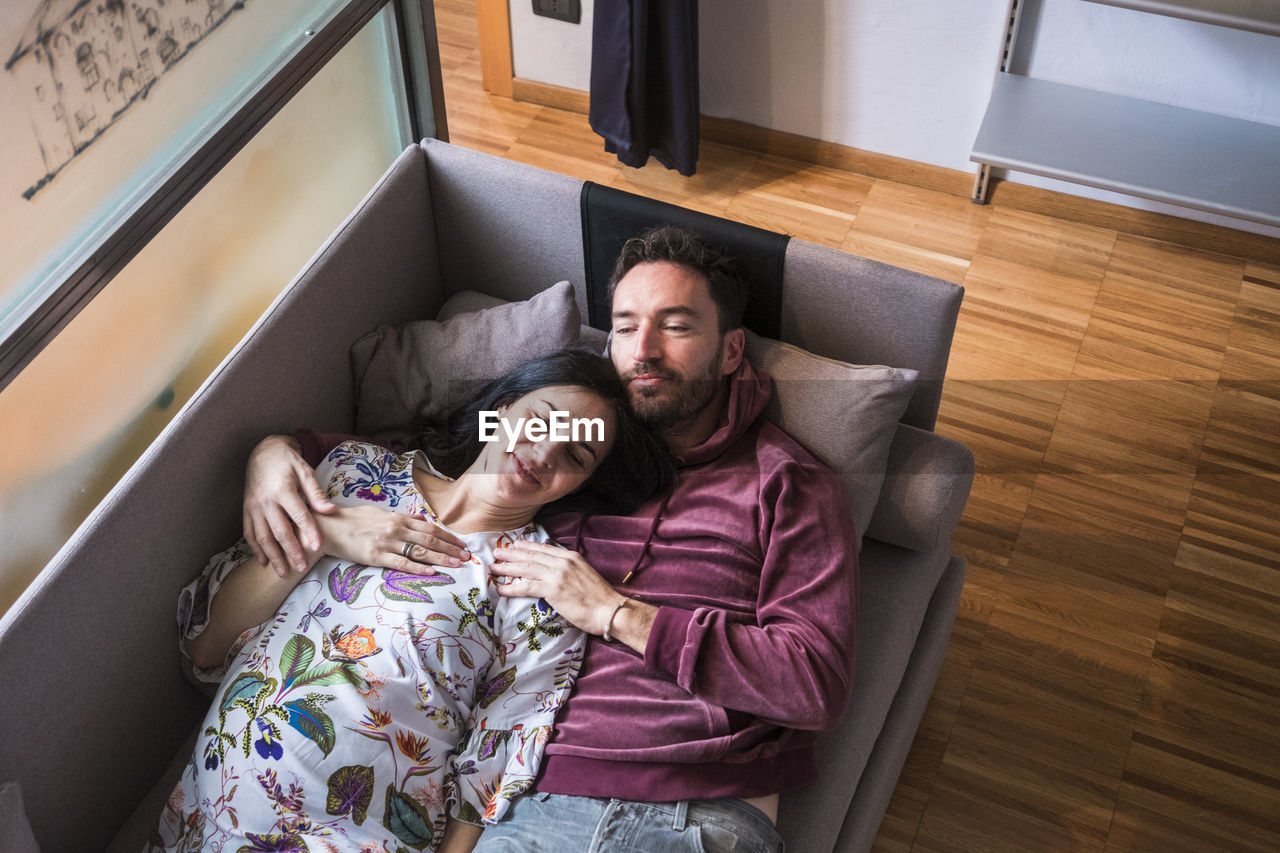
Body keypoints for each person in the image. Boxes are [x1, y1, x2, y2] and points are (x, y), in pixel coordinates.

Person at [243, 225, 860, 852]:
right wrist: (275, 453)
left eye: (675, 326)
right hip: (524, 803)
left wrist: (616, 614)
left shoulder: (790, 484)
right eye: (623, 326)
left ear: (731, 352)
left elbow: (814, 683)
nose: (642, 350)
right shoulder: (574, 447)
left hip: (689, 809)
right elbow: (437, 462)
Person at [149, 350, 672, 853]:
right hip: (207, 823)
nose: (544, 451)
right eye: (542, 419)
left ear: (582, 483)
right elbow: (204, 647)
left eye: (576, 454)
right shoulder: (351, 473)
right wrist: (322, 537)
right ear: (506, 408)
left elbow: (488, 776)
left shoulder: (538, 589)